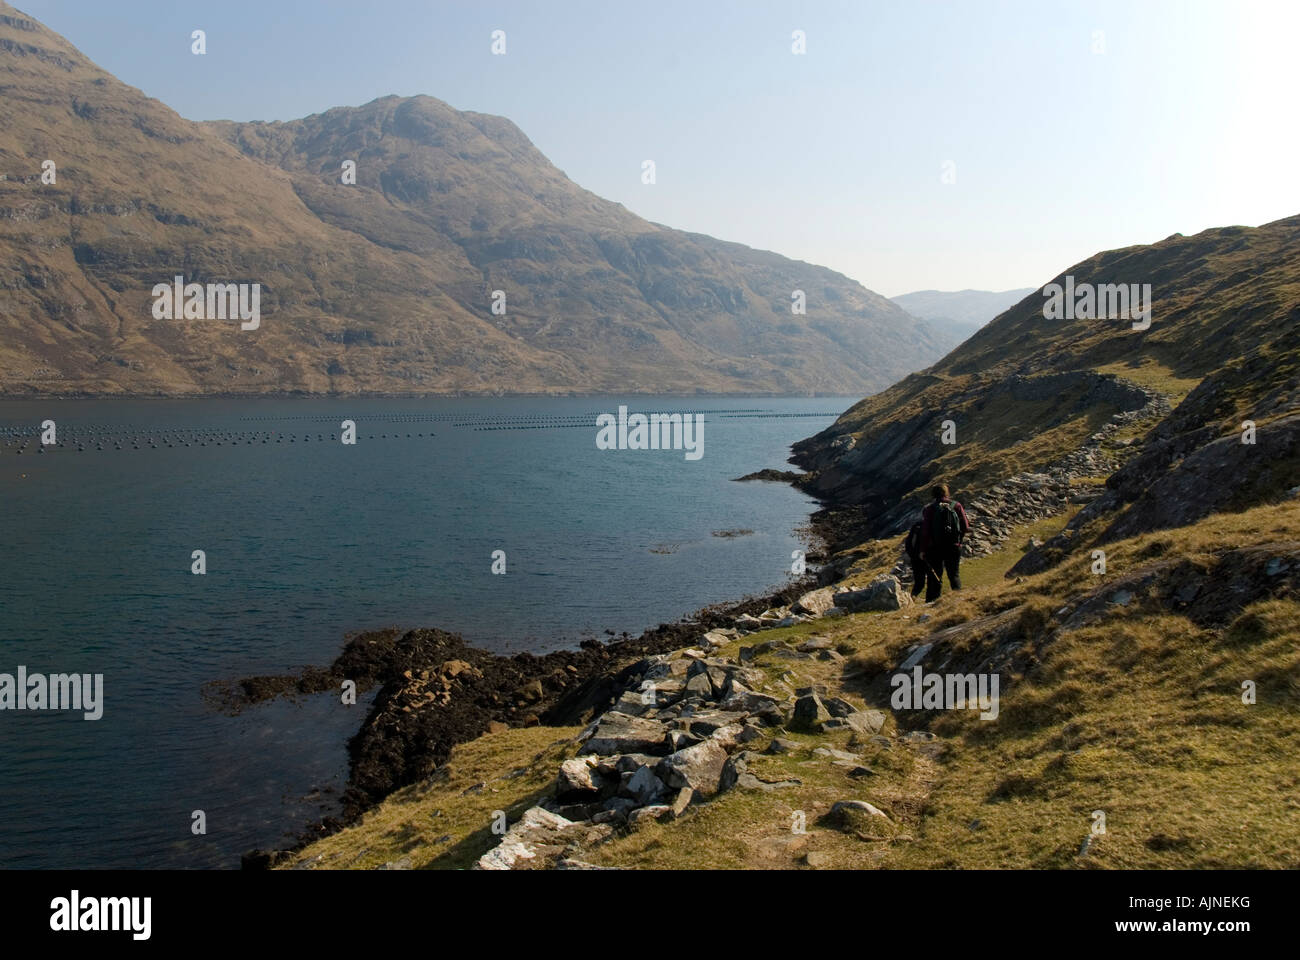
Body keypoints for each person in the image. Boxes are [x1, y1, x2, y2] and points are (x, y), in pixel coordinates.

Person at [918, 482, 970, 602]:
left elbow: (925, 532)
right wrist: (958, 539)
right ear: (947, 493)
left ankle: (931, 604)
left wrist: (922, 550)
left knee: (935, 577)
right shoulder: (956, 506)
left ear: (933, 494)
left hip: (934, 548)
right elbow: (966, 527)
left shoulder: (929, 509)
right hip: (953, 546)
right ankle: (959, 601)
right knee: (954, 575)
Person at [903, 520, 925, 598]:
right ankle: (912, 598)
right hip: (923, 558)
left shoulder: (917, 526)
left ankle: (912, 598)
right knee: (923, 581)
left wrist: (913, 556)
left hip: (916, 559)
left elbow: (908, 543)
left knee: (919, 582)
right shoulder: (927, 525)